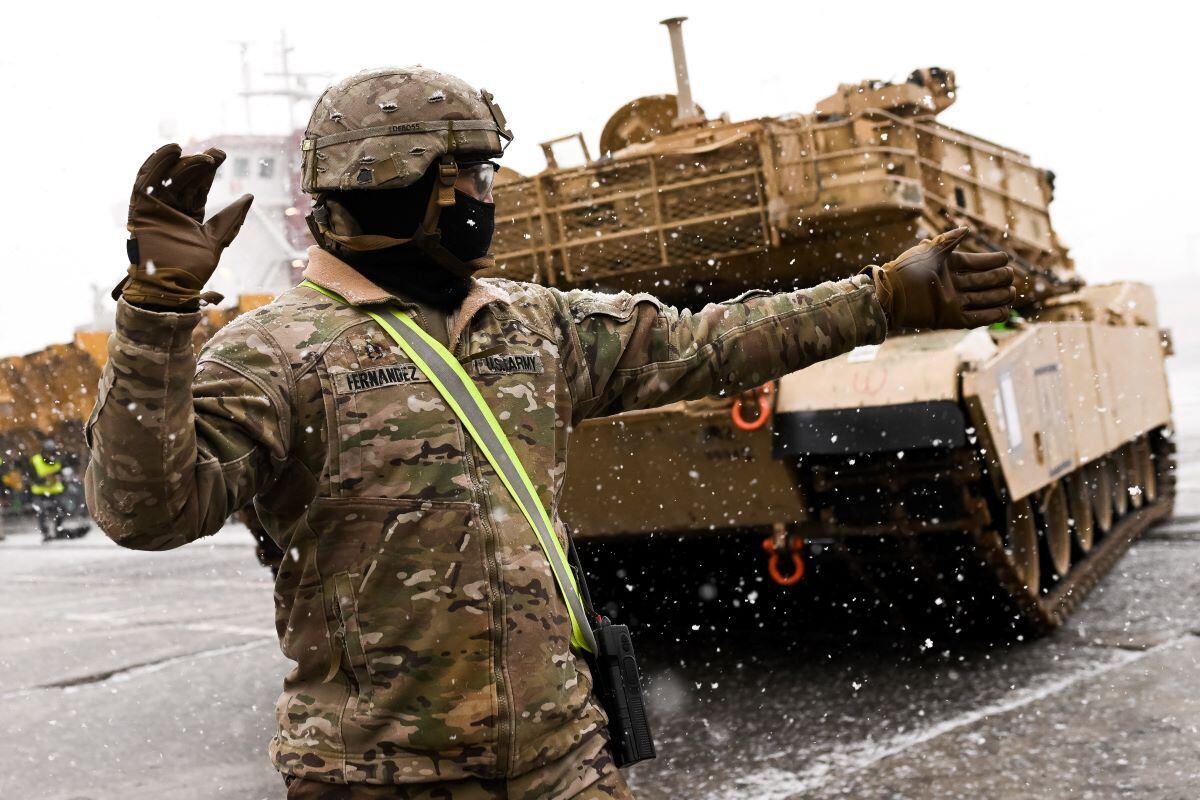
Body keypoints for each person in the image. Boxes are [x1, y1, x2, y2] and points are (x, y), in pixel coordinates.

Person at [85, 68, 1013, 799]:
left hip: (567, 757)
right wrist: (157, 315)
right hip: (378, 778)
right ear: (401, 184)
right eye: (473, 174)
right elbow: (148, 510)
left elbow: (710, 342)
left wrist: (884, 297)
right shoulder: (276, 353)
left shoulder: (531, 326)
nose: (488, 194)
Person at [31, 439, 66, 541]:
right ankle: (45, 533)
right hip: (39, 492)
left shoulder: (58, 461)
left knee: (61, 510)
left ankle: (57, 530)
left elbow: (62, 474)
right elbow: (32, 478)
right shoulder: (35, 460)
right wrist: (46, 479)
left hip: (55, 491)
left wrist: (60, 478)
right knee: (41, 512)